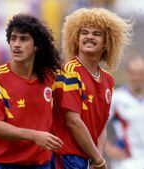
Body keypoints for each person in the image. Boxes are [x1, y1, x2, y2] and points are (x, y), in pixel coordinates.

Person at [0, 13, 64, 169]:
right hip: (1, 164)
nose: (16, 44)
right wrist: (34, 135)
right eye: (13, 38)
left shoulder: (50, 78)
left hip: (40, 163)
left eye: (24, 39)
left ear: (36, 46)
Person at [52, 8, 132, 169]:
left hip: (89, 158)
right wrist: (98, 159)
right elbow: (73, 121)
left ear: (107, 43)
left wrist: (98, 158)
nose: (89, 37)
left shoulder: (108, 80)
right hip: (66, 156)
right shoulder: (69, 71)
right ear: (76, 38)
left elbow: (101, 126)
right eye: (84, 32)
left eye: (97, 34)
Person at [106, 56, 144, 169]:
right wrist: (109, 149)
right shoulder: (117, 98)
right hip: (127, 162)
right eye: (133, 73)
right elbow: (98, 126)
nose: (137, 77)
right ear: (128, 73)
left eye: (140, 73)